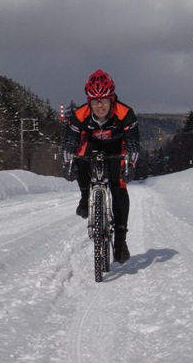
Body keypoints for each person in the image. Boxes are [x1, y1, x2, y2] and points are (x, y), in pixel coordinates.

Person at [61, 69, 140, 264]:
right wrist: (68, 164)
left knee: (118, 185)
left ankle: (120, 241)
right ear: (88, 101)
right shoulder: (80, 115)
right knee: (79, 154)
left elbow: (133, 145)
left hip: (116, 145)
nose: (99, 105)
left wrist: (130, 165)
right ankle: (85, 198)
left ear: (111, 98)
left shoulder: (125, 113)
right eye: (95, 101)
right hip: (92, 144)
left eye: (104, 100)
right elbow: (68, 143)